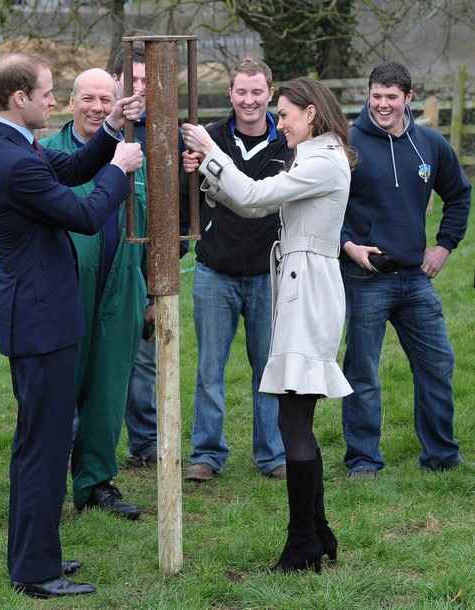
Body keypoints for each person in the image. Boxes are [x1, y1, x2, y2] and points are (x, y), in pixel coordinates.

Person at [0, 53, 143, 598]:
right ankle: (34, 571)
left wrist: (111, 131)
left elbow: (69, 170)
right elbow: (84, 213)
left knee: (38, 445)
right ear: (19, 98)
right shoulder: (15, 160)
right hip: (41, 322)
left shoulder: (14, 147)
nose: (53, 101)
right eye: (47, 93)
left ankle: (37, 554)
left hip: (41, 317)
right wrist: (120, 170)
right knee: (42, 448)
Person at [182, 77, 354, 573]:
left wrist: (211, 148)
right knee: (295, 418)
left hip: (309, 292)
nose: (279, 123)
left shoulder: (322, 161)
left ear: (311, 115)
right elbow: (249, 200)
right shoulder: (314, 157)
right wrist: (214, 173)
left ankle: (302, 544)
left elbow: (256, 196)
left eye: (285, 114)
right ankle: (317, 532)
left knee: (293, 421)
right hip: (303, 287)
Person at [340, 61, 471, 477]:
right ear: (368, 94)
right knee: (363, 371)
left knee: (437, 364)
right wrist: (348, 245)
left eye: (391, 97)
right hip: (365, 277)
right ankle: (363, 459)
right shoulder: (347, 143)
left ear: (408, 98)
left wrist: (444, 246)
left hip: (415, 279)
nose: (382, 105)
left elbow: (459, 195)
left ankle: (441, 456)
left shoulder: (429, 144)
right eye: (376, 96)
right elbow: (324, 203)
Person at [41, 68, 147, 517]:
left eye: (107, 100)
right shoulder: (47, 154)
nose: (97, 108)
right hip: (64, 289)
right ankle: (44, 487)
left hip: (120, 287)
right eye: (89, 98)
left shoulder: (133, 155)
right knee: (56, 391)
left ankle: (96, 484)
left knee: (108, 390)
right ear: (70, 101)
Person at [184, 57, 291, 482]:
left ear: (270, 94)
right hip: (215, 271)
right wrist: (185, 169)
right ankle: (206, 455)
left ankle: (272, 454)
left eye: (257, 92)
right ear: (230, 94)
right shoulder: (206, 139)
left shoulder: (288, 142)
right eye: (241, 92)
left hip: (269, 272)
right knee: (210, 369)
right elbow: (182, 197)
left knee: (268, 369)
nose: (249, 100)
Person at [111, 45, 189, 468]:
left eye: (146, 81)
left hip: (148, 266)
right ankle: (82, 445)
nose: (139, 90)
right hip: (106, 260)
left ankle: (144, 444)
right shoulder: (105, 132)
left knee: (144, 362)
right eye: (132, 81)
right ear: (118, 81)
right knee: (96, 362)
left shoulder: (166, 134)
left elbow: (177, 204)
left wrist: (165, 270)